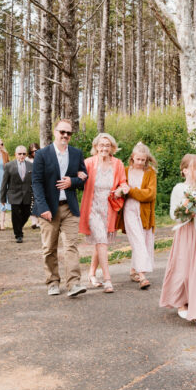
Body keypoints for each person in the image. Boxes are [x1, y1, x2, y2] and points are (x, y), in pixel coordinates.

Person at [159, 154, 196, 331]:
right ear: (184, 170)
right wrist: (186, 211)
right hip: (185, 232)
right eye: (195, 168)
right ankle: (180, 302)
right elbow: (172, 214)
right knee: (183, 270)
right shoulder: (179, 188)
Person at [32, 119, 88, 297]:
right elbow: (36, 183)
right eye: (62, 132)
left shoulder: (77, 154)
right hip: (48, 209)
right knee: (49, 248)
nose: (65, 135)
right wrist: (43, 208)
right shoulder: (42, 154)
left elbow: (83, 179)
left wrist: (73, 181)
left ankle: (74, 284)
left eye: (68, 133)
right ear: (55, 132)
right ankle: (52, 282)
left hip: (69, 208)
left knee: (71, 245)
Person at [79, 133, 128, 293]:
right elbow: (77, 177)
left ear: (112, 147)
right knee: (101, 240)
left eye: (107, 145)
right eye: (101, 145)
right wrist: (78, 176)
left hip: (108, 207)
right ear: (96, 147)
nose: (104, 148)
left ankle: (92, 274)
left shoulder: (118, 163)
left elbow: (122, 182)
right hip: (92, 206)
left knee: (101, 242)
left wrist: (123, 189)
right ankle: (107, 279)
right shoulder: (88, 163)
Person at [119, 142, 158, 290]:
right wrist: (123, 190)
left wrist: (131, 191)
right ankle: (142, 276)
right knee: (138, 240)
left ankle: (134, 270)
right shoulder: (125, 171)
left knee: (144, 240)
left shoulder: (150, 173)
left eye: (143, 160)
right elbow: (121, 189)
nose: (141, 162)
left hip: (145, 212)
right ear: (132, 158)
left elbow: (150, 194)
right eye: (138, 159)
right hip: (129, 210)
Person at [0, 145, 34, 243]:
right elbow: (4, 183)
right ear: (15, 154)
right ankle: (18, 234)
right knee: (15, 215)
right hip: (14, 194)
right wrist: (2, 198)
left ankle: (18, 227)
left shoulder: (31, 165)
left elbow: (34, 181)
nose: (22, 156)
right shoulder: (9, 166)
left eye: (24, 154)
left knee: (27, 213)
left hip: (27, 194)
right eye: (19, 154)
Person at [28, 143, 41, 230]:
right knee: (31, 202)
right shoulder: (27, 160)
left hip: (39, 183)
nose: (34, 153)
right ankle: (34, 221)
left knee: (39, 201)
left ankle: (39, 221)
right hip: (30, 183)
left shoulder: (41, 158)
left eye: (36, 151)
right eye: (32, 151)